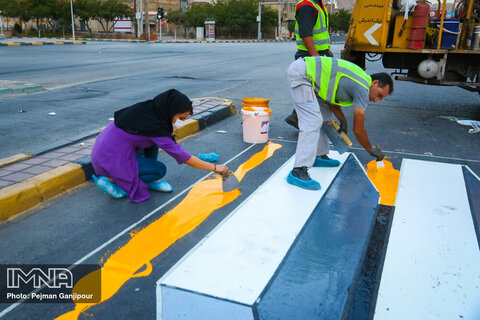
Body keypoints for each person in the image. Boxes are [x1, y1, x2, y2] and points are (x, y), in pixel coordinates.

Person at [90, 89, 229, 203]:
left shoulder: (150, 112)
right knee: (159, 170)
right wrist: (215, 168)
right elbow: (181, 155)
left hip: (102, 154)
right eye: (181, 118)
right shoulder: (156, 128)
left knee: (151, 145)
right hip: (111, 159)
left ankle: (124, 176)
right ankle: (114, 181)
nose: (181, 123)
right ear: (171, 111)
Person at [285, 56, 394, 190]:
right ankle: (298, 171)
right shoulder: (363, 88)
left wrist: (342, 119)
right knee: (312, 121)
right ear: (375, 83)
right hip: (302, 75)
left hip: (310, 77)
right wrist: (370, 149)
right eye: (379, 95)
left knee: (325, 117)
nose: (376, 100)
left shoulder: (359, 79)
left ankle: (319, 155)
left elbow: (332, 98)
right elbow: (358, 129)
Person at [285, 0, 332, 129]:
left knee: (313, 91)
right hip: (310, 56)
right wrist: (316, 57)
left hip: (318, 54)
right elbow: (306, 34)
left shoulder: (317, 5)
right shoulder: (307, 5)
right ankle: (301, 119)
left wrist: (326, 51)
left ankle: (298, 117)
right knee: (314, 92)